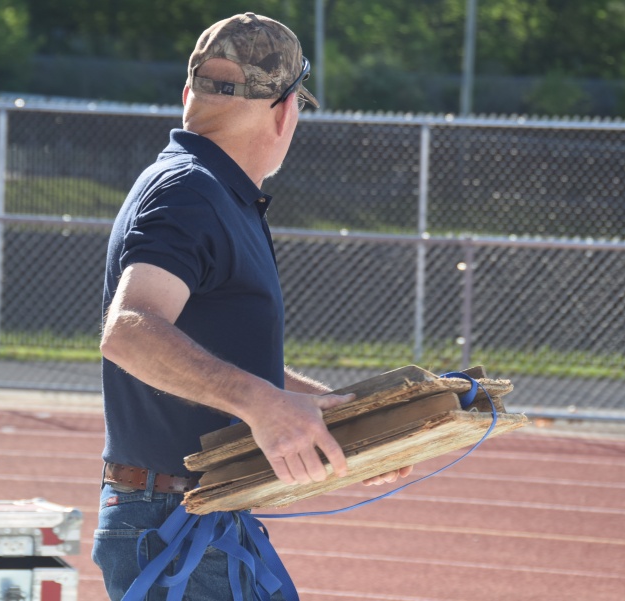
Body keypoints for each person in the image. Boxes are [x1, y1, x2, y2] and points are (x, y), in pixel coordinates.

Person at [93, 12, 410, 600]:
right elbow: (131, 332)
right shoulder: (189, 191)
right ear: (287, 109)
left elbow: (217, 356)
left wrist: (342, 418)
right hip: (176, 522)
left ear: (190, 93)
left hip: (196, 515)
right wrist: (265, 404)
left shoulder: (209, 190)